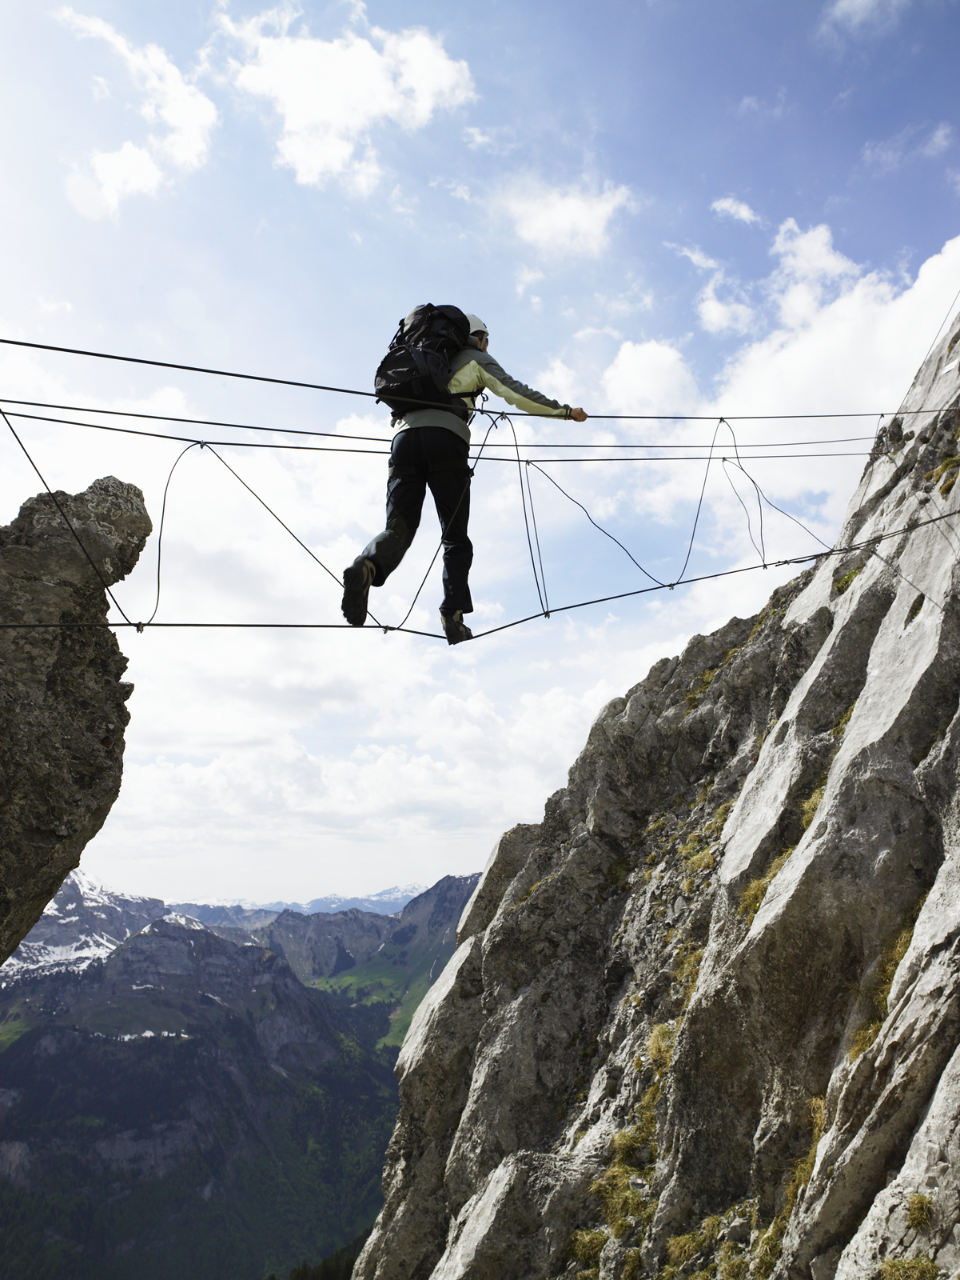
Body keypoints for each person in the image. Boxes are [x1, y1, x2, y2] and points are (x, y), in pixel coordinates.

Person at [341, 313, 589, 644]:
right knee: (455, 536)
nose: (487, 345)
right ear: (476, 337)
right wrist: (564, 411)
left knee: (397, 527)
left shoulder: (420, 360)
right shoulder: (475, 358)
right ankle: (452, 616)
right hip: (446, 439)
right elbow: (517, 393)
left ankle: (367, 565)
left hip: (403, 441)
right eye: (486, 339)